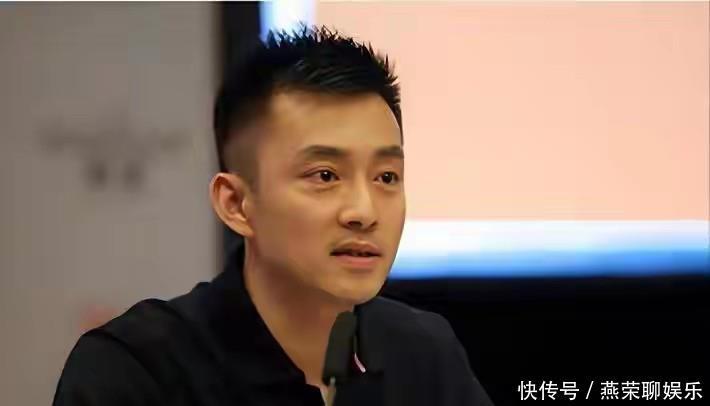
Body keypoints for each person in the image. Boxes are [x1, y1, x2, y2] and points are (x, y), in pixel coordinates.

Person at [53, 26, 494, 406]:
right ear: (235, 204)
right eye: (325, 175)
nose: (364, 212)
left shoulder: (423, 352)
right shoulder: (135, 371)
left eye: (386, 177)